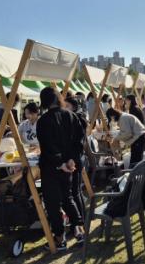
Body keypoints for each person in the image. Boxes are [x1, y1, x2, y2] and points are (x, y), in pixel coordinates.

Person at [37, 87, 83, 251]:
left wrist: (60, 162)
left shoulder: (43, 120)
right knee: (67, 197)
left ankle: (60, 237)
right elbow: (79, 140)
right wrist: (70, 160)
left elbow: (47, 146)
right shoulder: (71, 115)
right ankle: (78, 230)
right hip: (68, 165)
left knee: (53, 202)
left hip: (51, 166)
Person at [64, 97, 88, 243]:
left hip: (75, 160)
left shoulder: (76, 119)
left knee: (74, 192)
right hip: (76, 159)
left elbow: (77, 143)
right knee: (75, 191)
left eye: (66, 106)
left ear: (73, 107)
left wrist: (71, 158)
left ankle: (79, 224)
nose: (64, 108)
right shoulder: (75, 118)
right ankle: (79, 222)